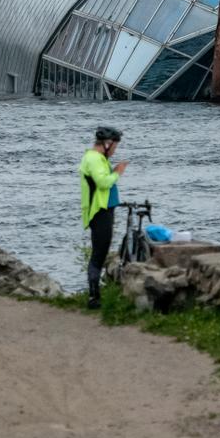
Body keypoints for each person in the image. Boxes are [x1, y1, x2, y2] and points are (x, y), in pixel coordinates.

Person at [77, 125, 127, 309]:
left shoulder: (97, 158)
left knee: (101, 251)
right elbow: (103, 183)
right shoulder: (94, 159)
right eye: (115, 146)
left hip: (104, 209)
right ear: (107, 144)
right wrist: (117, 172)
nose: (115, 150)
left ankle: (94, 294)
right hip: (100, 211)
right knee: (99, 253)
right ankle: (93, 297)